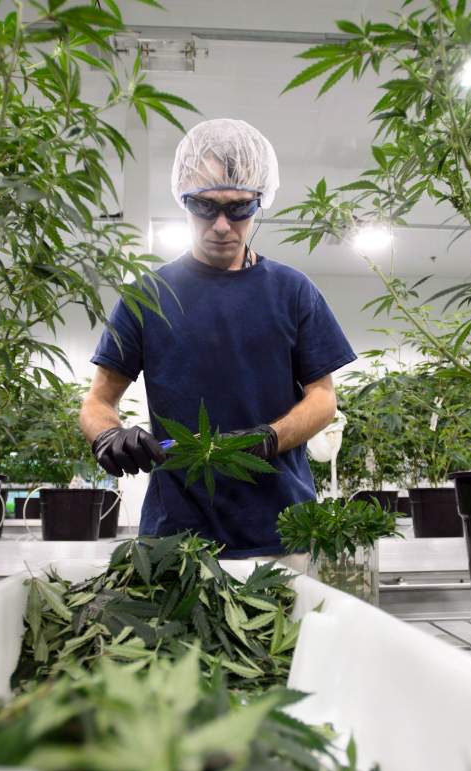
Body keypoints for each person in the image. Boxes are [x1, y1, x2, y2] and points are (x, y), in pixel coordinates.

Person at [79, 118, 356, 557]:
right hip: (176, 540)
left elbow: (323, 400)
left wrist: (268, 438)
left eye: (239, 208)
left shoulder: (293, 290)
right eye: (205, 207)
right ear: (182, 200)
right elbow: (97, 401)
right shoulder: (148, 295)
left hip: (283, 529)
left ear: (259, 201)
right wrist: (108, 437)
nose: (222, 225)